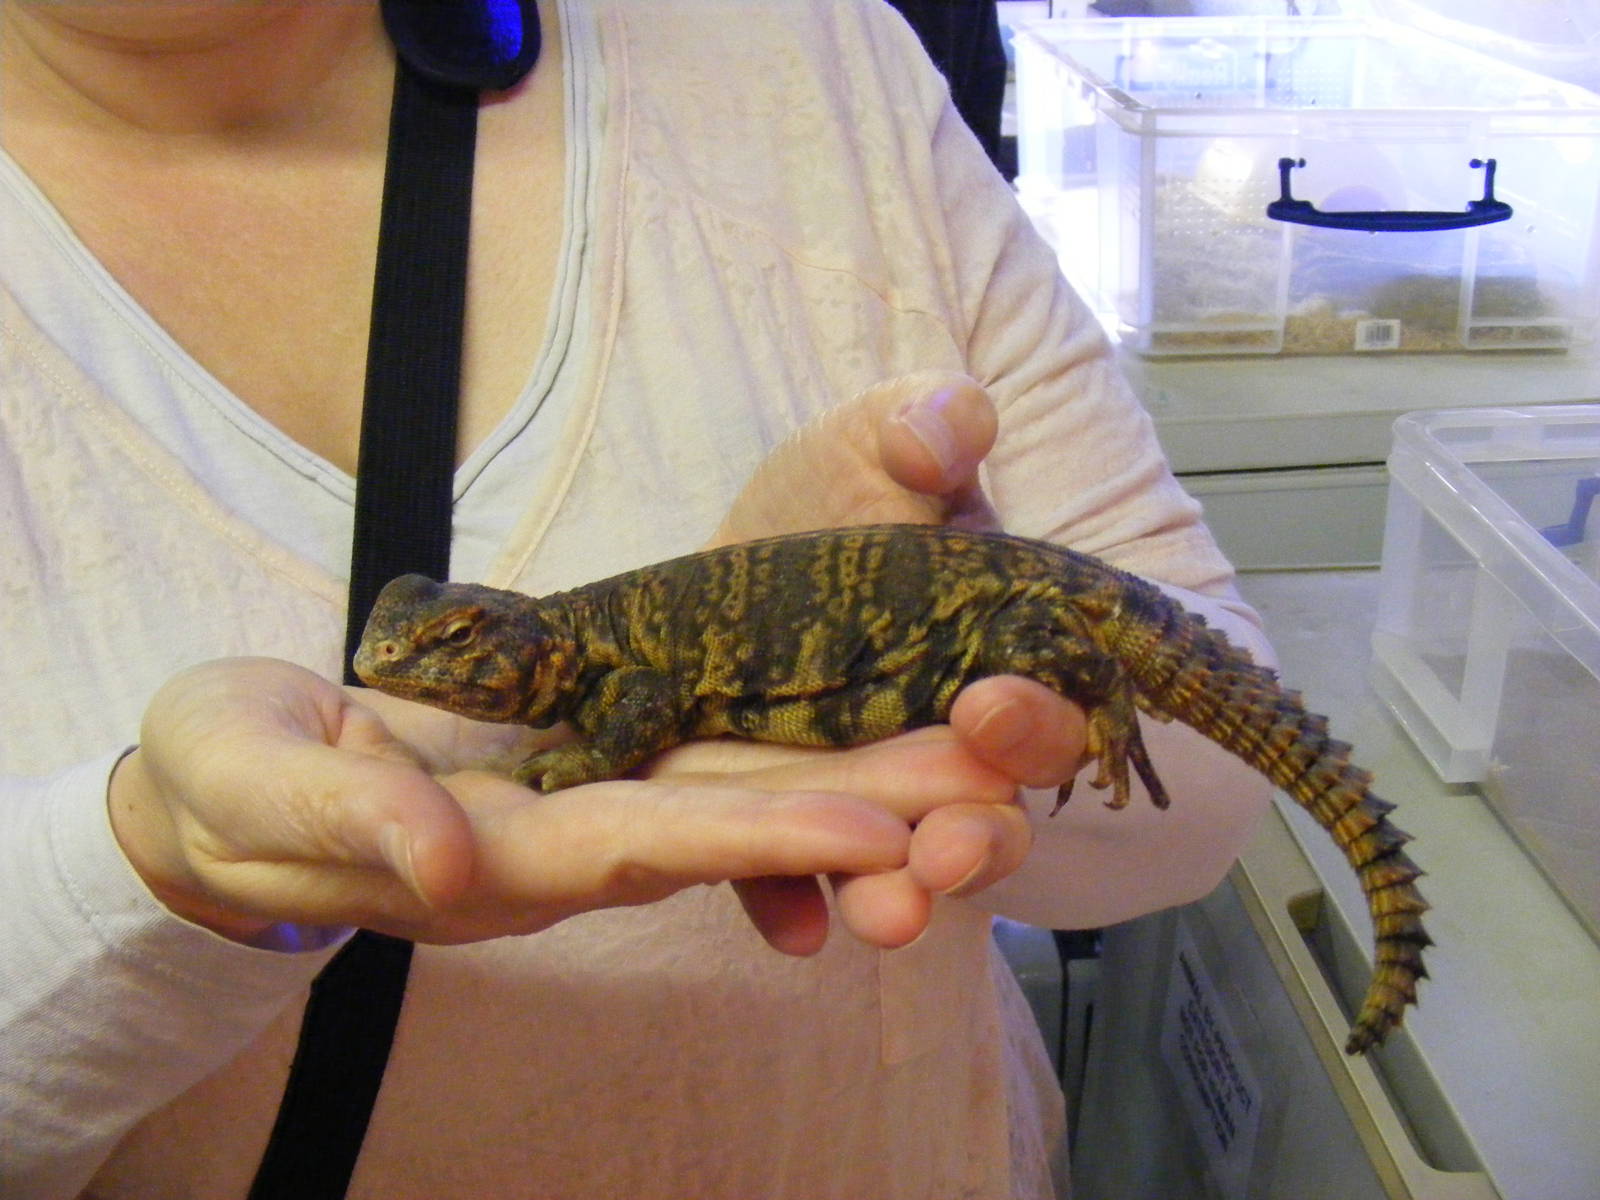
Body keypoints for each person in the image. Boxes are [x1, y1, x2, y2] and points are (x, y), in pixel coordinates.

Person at [0, 1, 1273, 1197]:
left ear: (504, 640)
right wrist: (154, 872)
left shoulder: (806, 53)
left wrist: (1042, 728)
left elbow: (1210, 762)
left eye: (446, 650)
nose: (418, 674)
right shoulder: (586, 657)